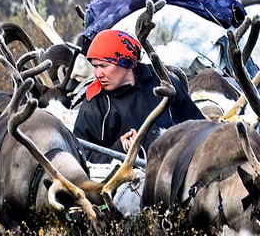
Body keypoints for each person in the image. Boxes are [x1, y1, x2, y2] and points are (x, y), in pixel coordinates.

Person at [73, 29, 204, 164]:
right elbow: (81, 156)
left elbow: (199, 126)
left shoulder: (163, 82)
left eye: (103, 66)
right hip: (132, 180)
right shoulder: (95, 104)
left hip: (182, 167)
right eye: (95, 66)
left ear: (125, 62)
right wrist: (121, 148)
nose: (97, 73)